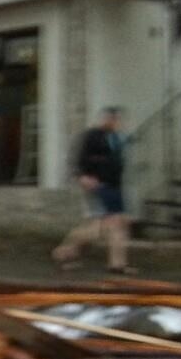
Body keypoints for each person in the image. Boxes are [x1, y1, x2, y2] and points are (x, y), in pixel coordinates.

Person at [52, 106, 133, 275]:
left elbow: (116, 161)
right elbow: (79, 159)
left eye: (117, 119)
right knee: (108, 224)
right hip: (99, 184)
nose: (115, 122)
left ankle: (116, 263)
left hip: (114, 185)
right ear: (105, 119)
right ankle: (115, 263)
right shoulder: (93, 136)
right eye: (112, 119)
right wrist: (83, 176)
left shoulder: (117, 138)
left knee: (111, 224)